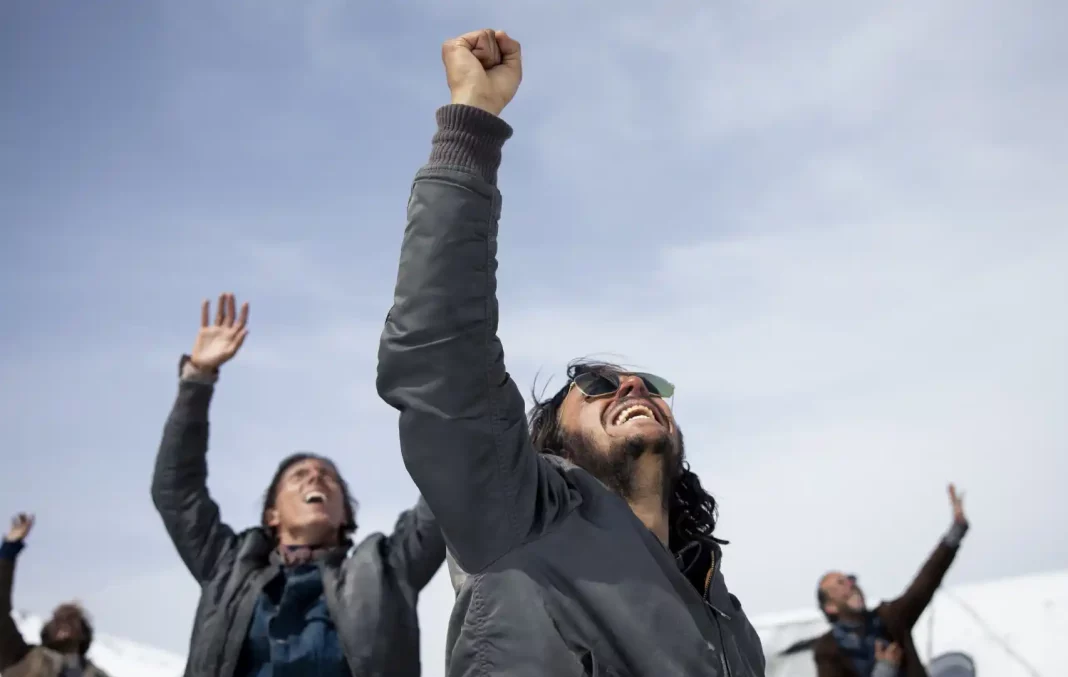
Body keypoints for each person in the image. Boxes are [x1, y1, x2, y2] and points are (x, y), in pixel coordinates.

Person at [376, 29, 766, 676]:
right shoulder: (520, 517)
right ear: (551, 441)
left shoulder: (725, 610)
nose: (633, 387)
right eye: (598, 384)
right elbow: (441, 354)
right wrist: (471, 123)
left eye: (646, 383)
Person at [152, 293, 446, 677]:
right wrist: (197, 378)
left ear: (345, 515)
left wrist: (443, 386)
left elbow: (447, 490)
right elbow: (178, 491)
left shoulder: (387, 570)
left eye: (329, 477)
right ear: (271, 515)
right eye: (298, 476)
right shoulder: (227, 567)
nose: (315, 477)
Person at [812, 484, 970, 677]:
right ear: (830, 607)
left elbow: (926, 581)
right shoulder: (828, 650)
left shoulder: (889, 618)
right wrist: (884, 670)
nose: (851, 585)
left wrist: (956, 530)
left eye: (849, 580)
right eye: (840, 584)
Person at [0, 513, 111, 677]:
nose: (64, 623)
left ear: (84, 634)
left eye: (72, 618)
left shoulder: (97, 674)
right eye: (58, 619)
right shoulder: (22, 657)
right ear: (47, 631)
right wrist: (8, 550)